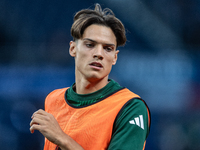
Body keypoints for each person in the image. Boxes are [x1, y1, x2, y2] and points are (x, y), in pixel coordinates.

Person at [30, 3, 151, 150]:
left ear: (114, 57)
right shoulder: (53, 99)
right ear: (73, 48)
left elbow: (60, 139)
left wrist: (62, 139)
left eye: (107, 48)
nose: (99, 54)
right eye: (90, 45)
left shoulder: (130, 107)